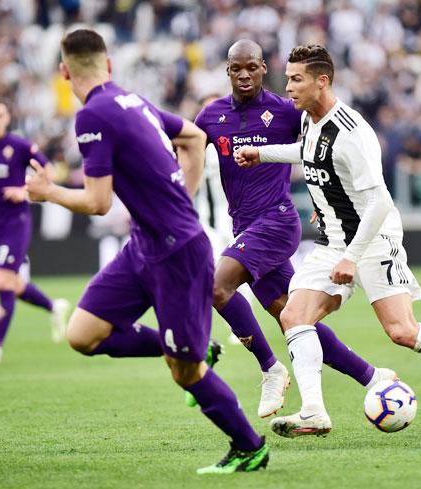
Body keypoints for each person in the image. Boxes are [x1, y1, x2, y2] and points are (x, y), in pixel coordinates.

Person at [235, 44, 421, 438]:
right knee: (293, 315)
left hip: (372, 240)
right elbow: (308, 153)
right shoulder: (309, 120)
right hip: (335, 240)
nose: (288, 86)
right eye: (287, 78)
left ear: (322, 81)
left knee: (402, 331)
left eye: (296, 79)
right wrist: (262, 154)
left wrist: (352, 257)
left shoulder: (353, 132)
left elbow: (378, 201)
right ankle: (314, 411)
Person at [25, 29, 269, 474]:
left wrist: (48, 192)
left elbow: (98, 203)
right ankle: (195, 349)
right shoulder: (130, 100)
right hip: (144, 245)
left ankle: (250, 446)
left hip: (177, 253)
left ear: (64, 72)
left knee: (186, 373)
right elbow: (194, 139)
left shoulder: (92, 115)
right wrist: (183, 195)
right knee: (82, 334)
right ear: (109, 65)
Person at [194, 39, 396, 419]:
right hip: (243, 226)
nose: (244, 75)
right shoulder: (210, 115)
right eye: (237, 68)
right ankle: (372, 376)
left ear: (262, 69)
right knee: (294, 317)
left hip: (276, 221)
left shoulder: (286, 112)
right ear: (227, 71)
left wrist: (327, 200)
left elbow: (322, 150)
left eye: (252, 67)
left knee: (216, 286)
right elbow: (187, 151)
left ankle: (271, 369)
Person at [0, 99, 70, 366]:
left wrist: (25, 191)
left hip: (15, 223)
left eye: (0, 115)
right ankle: (55, 307)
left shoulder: (18, 146)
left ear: (7, 119)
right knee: (14, 284)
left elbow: (48, 171)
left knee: (4, 282)